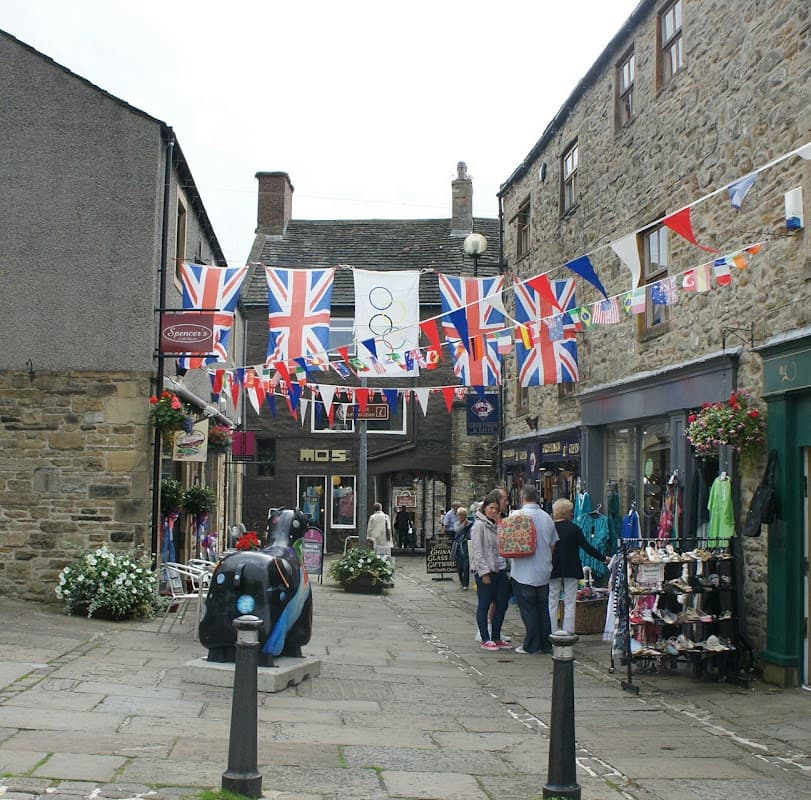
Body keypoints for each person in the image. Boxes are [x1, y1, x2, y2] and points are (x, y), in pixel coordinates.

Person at [549, 498, 610, 634]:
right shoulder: (574, 528)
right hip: (572, 568)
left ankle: (552, 631)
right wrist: (603, 559)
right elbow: (587, 547)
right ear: (568, 513)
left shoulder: (550, 528)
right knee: (570, 602)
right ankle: (568, 631)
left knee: (552, 601)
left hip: (553, 569)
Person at [509, 485, 559, 655]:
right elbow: (553, 545)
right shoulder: (547, 518)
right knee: (543, 609)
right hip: (543, 570)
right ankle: (546, 644)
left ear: (522, 497)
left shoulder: (515, 516)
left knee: (528, 609)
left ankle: (531, 645)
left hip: (522, 571)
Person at [470, 492, 512, 651]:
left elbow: (505, 544)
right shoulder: (479, 526)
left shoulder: (497, 525)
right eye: (491, 508)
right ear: (485, 508)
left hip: (501, 569)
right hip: (486, 571)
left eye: (496, 508)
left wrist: (499, 524)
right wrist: (484, 572)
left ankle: (496, 635)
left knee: (502, 604)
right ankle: (485, 638)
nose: (494, 511)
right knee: (484, 604)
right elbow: (478, 551)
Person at [452, 507, 472, 590]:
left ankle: (465, 584)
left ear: (465, 515)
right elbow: (457, 531)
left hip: (466, 546)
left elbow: (471, 535)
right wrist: (464, 525)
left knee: (466, 566)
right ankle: (461, 580)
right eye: (459, 515)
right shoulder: (456, 524)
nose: (460, 517)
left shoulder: (471, 523)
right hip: (458, 546)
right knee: (459, 566)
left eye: (461, 515)